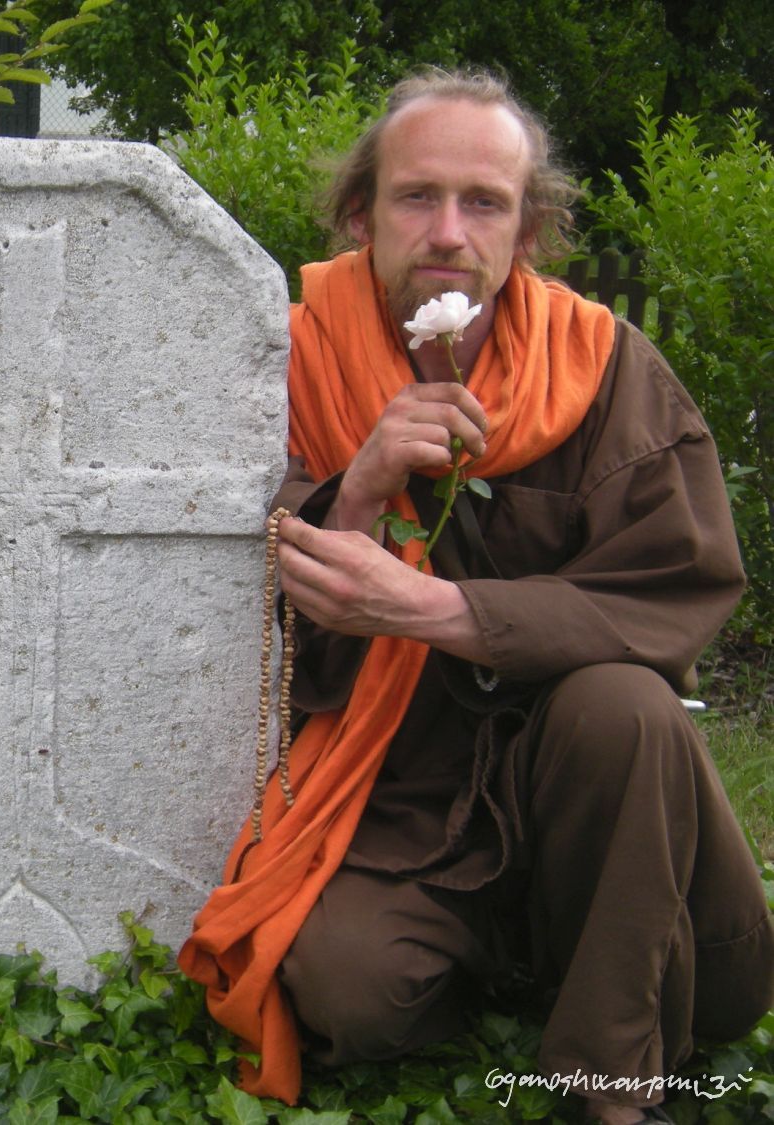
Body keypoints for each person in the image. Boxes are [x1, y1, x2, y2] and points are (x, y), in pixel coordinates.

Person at [178, 69, 774, 1125]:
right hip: (400, 803)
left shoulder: (604, 369)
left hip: (597, 795)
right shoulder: (286, 357)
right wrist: (355, 491)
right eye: (417, 197)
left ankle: (611, 1094)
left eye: (484, 203)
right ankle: (535, 959)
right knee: (345, 994)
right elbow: (244, 634)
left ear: (529, 229)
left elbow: (673, 596)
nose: (448, 232)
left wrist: (438, 614)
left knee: (627, 711)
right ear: (361, 211)